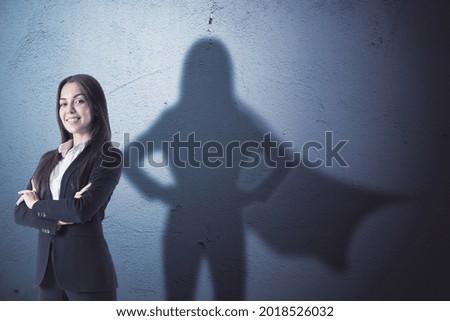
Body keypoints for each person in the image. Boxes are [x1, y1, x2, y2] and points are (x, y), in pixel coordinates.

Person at [14, 74, 122, 300]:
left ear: (96, 105)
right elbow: (20, 212)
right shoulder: (48, 159)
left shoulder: (108, 155)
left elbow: (81, 209)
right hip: (48, 276)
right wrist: (57, 220)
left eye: (79, 101)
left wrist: (38, 204)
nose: (69, 109)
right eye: (63, 103)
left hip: (88, 275)